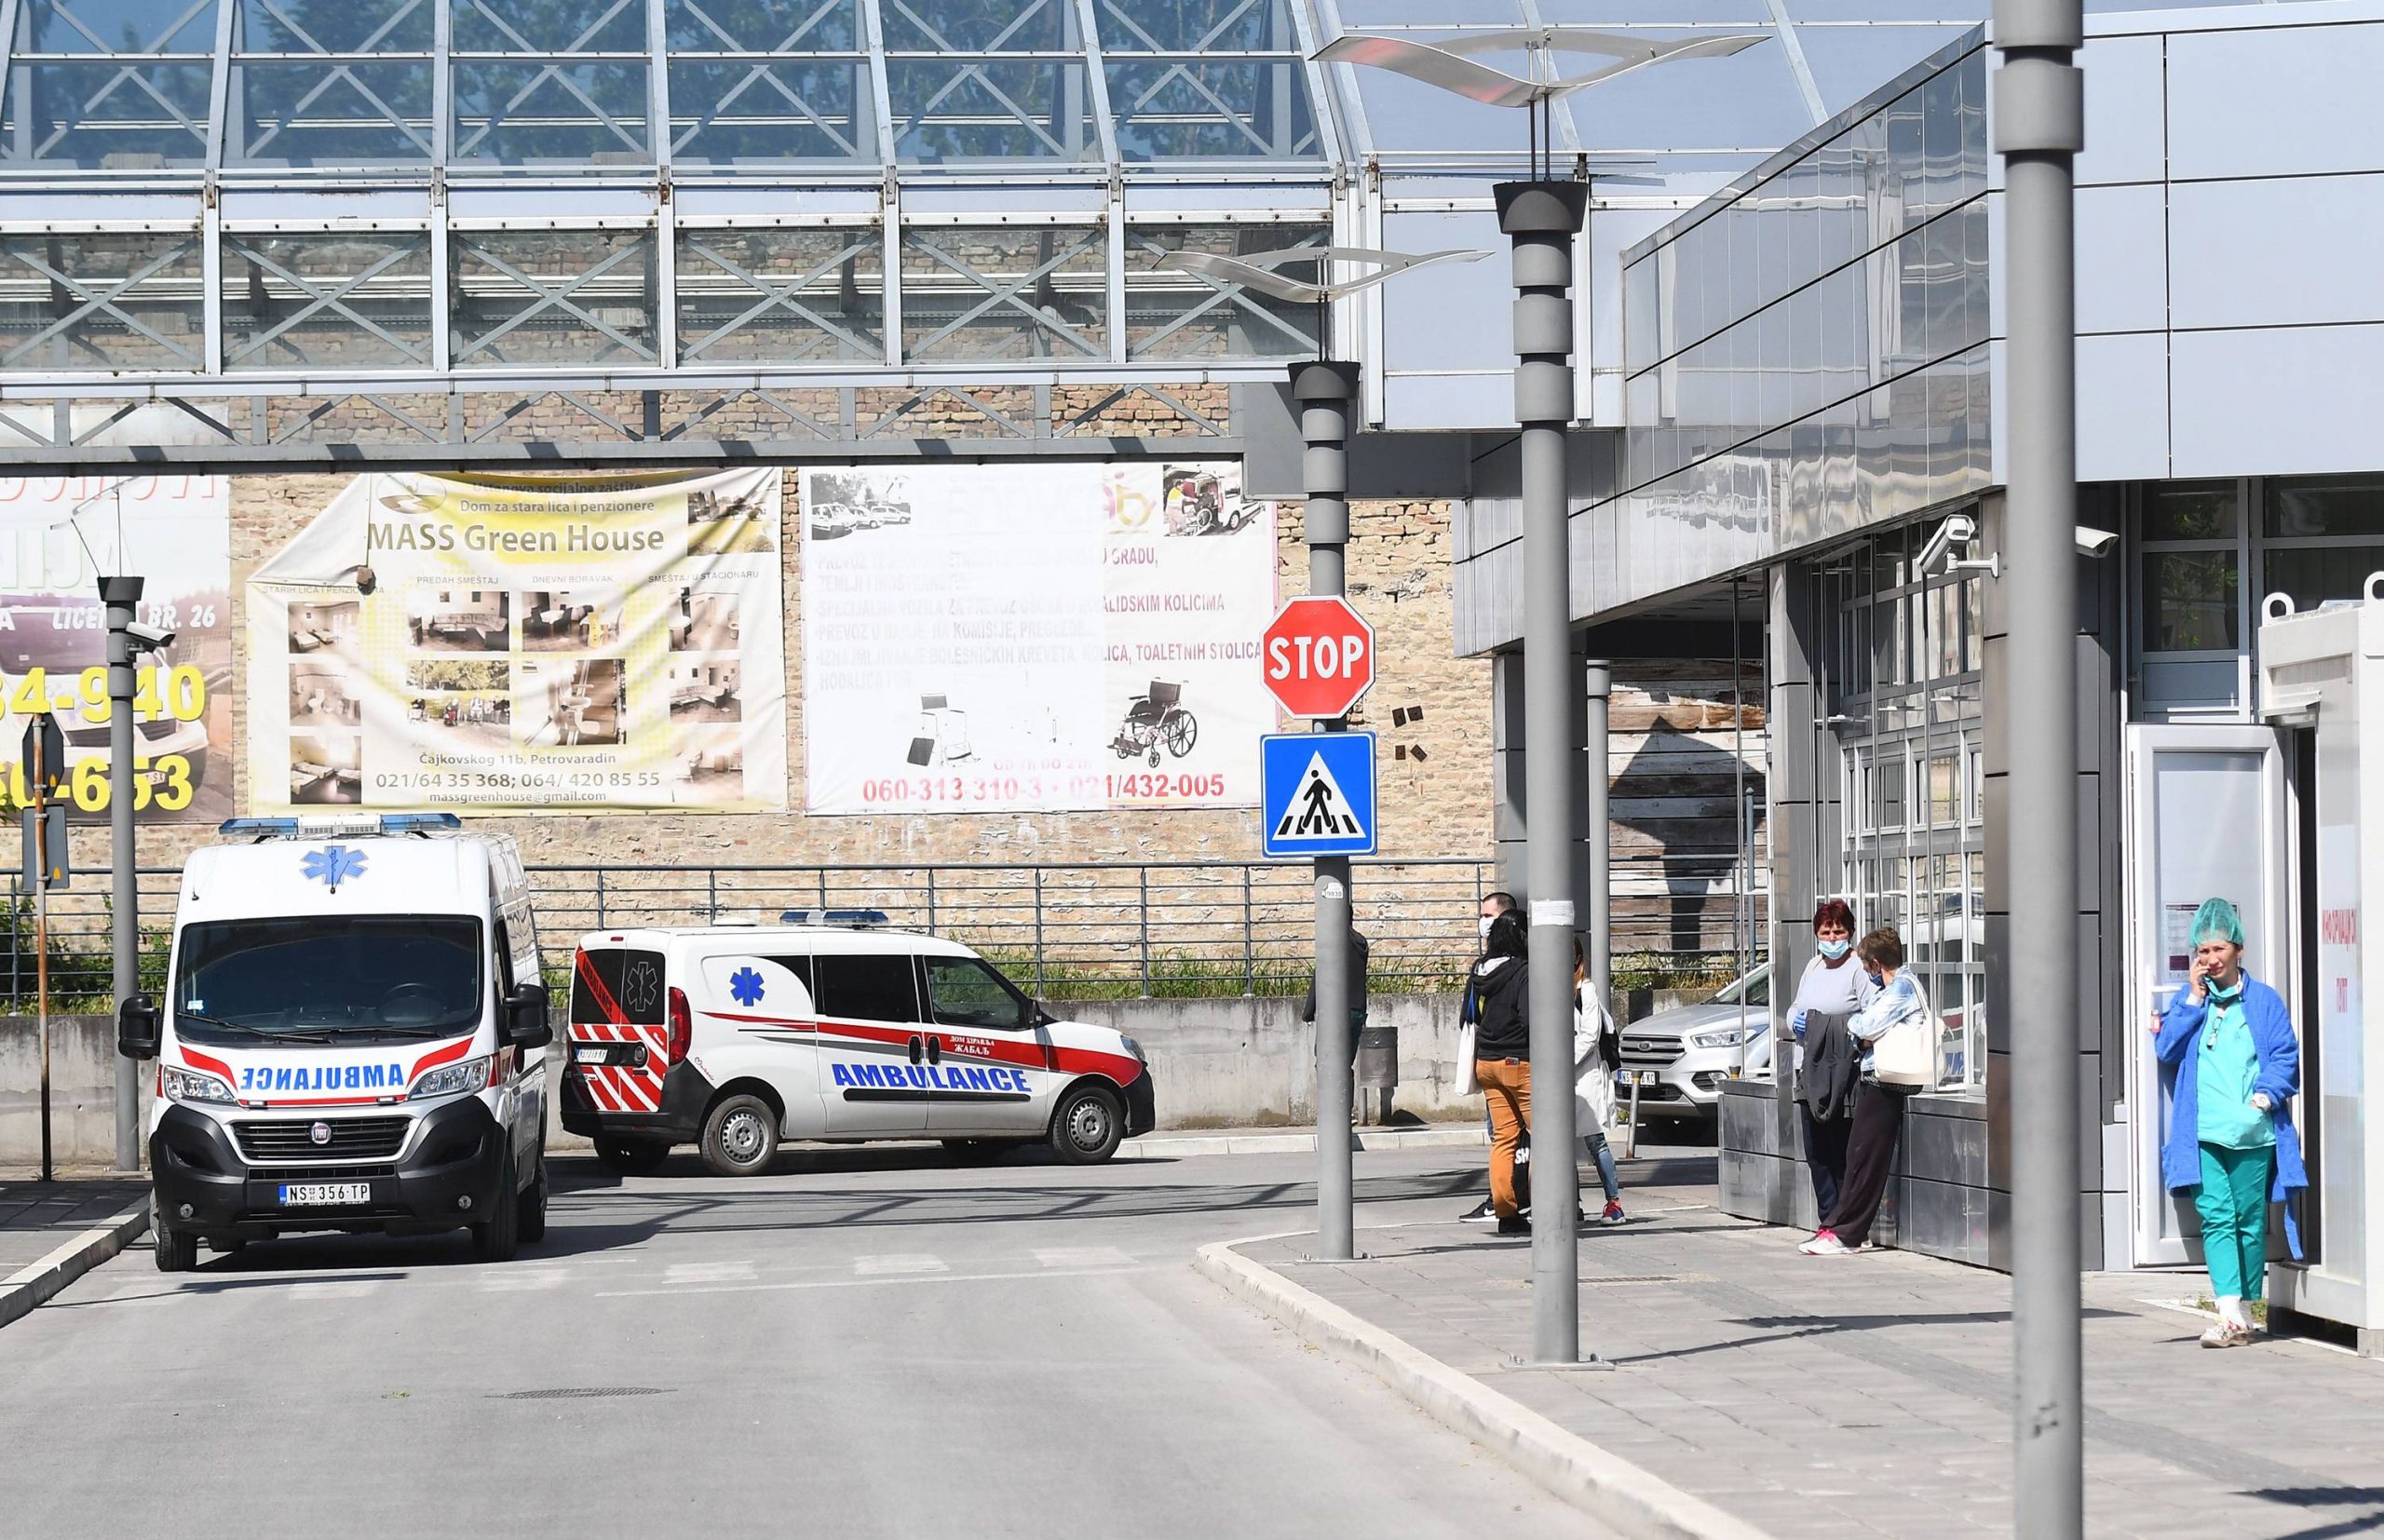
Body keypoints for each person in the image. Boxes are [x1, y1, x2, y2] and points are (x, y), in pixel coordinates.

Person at [2153, 897, 2307, 1347]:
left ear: (2238, 949)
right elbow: (2167, 1051)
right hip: (2204, 1134)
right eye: (2202, 951)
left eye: (2219, 949)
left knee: (2249, 1220)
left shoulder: (2263, 1001)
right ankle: (2229, 1311)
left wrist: (2266, 1096)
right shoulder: (2192, 1001)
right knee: (2217, 1217)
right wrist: (2193, 999)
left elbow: (2284, 1055)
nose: (2210, 958)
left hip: (2254, 1133)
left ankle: (2243, 1308)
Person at [1801, 927, 1926, 1256]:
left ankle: (1848, 1234)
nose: (1865, 973)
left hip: (1887, 1082)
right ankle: (1839, 1228)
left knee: (1866, 1160)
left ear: (1875, 963)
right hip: (1876, 1081)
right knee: (1859, 1156)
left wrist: (1861, 1031)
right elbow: (1864, 1026)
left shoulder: (1901, 987)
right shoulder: (1892, 988)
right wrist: (1863, 1031)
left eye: (1867, 966)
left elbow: (1862, 1025)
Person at [1785, 898, 1876, 1231]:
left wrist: (1835, 1027)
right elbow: (1795, 1007)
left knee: (1841, 1151)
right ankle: (1828, 1219)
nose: (1833, 938)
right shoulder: (1813, 966)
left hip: (1843, 1073)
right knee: (1816, 1151)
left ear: (1850, 932)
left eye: (1839, 932)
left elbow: (1871, 1015)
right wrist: (1795, 1020)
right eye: (1827, 932)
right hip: (1809, 1069)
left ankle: (1845, 1224)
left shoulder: (1858, 969)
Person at [1470, 910, 1536, 1236]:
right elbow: (1528, 1018)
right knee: (1546, 1136)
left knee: (1503, 1139)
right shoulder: (1523, 971)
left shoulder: (1479, 970)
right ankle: (1546, 1202)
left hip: (1486, 1062)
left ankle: (1506, 1213)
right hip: (1519, 1062)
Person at [1460, 892, 1519, 1222]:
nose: (1484, 923)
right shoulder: (1511, 968)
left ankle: (1505, 1205)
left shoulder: (1484, 969)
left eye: (1489, 916)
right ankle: (1516, 1201)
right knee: (1523, 1135)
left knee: (1504, 1137)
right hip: (1508, 1060)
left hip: (1492, 1059)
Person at [1574, 939, 1625, 1224]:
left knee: (1595, 1141)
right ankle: (1571, 1203)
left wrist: (1561, 1064)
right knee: (1562, 1145)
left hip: (1585, 1075)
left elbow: (1590, 1035)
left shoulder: (1587, 990)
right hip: (1563, 1079)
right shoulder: (1548, 987)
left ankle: (1614, 1203)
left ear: (1578, 958)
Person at [1300, 923, 1372, 1074]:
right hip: (1358, 1009)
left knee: (1326, 1065)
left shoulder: (1334, 939)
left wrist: (1308, 1011)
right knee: (1345, 1067)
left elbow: (1320, 977)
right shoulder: (1361, 942)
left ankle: (1333, 1098)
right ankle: (1345, 1097)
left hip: (1337, 1011)